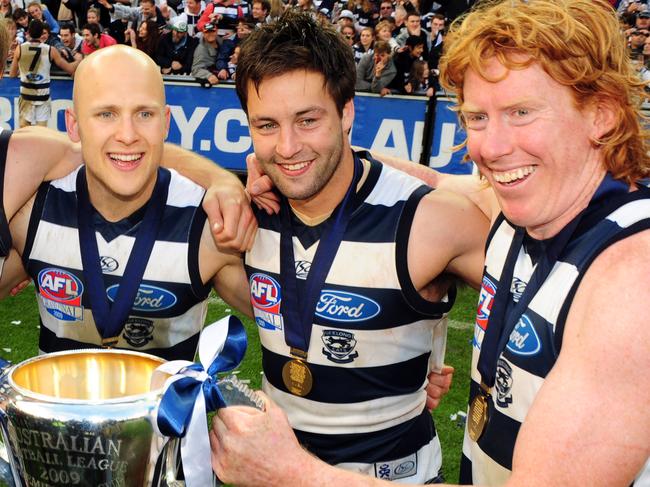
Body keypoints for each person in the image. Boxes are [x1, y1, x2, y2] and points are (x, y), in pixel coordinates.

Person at [210, 1, 650, 486]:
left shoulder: (633, 274)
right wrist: (256, 171)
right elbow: (433, 178)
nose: (491, 147)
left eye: (521, 113)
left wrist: (291, 473)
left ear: (601, 114)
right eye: (478, 118)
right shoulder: (523, 213)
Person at [210, 10, 489, 484]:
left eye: (307, 119)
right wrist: (219, 181)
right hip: (270, 472)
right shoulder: (249, 211)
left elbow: (544, 288)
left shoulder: (431, 218)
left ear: (346, 113)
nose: (287, 146)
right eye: (266, 125)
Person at [4, 45, 254, 361]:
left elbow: (288, 319)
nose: (127, 134)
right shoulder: (31, 213)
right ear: (74, 125)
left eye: (144, 114)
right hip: (57, 410)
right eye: (106, 114)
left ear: (165, 123)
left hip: (163, 412)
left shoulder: (209, 223)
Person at [9, 19, 81, 128]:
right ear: (41, 32)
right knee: (41, 132)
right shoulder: (50, 50)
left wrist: (23, 70)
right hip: (42, 96)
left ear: (28, 32)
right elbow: (70, 69)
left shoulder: (20, 49)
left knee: (23, 131)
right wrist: (80, 60)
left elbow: (12, 74)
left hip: (26, 96)